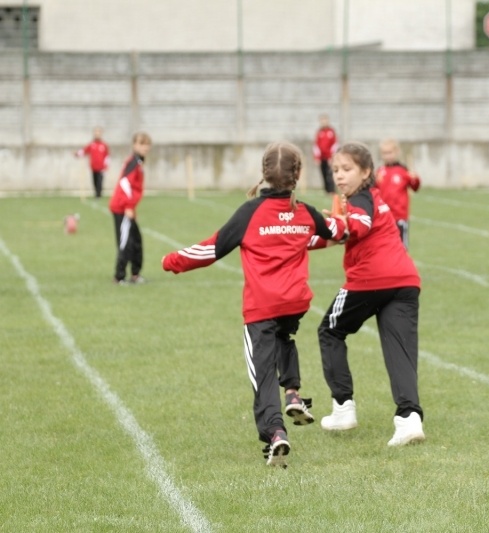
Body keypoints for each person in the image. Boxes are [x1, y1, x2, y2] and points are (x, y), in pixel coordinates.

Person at [161, 142, 347, 468]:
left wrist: (172, 260)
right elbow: (331, 232)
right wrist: (344, 220)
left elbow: (213, 249)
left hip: (263, 306)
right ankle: (292, 392)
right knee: (284, 338)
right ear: (298, 175)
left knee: (262, 374)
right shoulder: (304, 212)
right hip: (295, 302)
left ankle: (275, 432)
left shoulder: (250, 213)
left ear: (263, 174)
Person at [313, 141, 425, 447]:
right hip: (405, 281)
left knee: (329, 331)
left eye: (347, 169)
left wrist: (332, 226)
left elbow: (357, 227)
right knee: (399, 349)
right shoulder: (370, 196)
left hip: (371, 280)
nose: (339, 176)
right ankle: (409, 419)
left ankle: (343, 408)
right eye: (335, 169)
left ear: (366, 171)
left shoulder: (361, 198)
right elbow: (343, 232)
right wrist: (313, 236)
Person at [109, 132, 151, 285]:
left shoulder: (138, 162)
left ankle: (135, 274)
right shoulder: (133, 162)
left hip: (128, 208)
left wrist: (133, 209)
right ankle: (119, 277)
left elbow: (134, 188)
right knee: (125, 242)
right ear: (134, 145)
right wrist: (128, 207)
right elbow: (125, 183)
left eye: (147, 144)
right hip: (121, 208)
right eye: (142, 144)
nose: (145, 147)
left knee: (136, 241)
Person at [376, 139, 421, 249]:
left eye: (390, 152)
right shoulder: (380, 171)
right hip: (384, 217)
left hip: (399, 216)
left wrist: (415, 179)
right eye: (385, 153)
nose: (387, 156)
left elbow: (414, 187)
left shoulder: (403, 171)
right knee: (385, 247)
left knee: (401, 247)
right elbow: (375, 191)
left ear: (396, 152)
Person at [75, 127, 110, 198]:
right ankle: (96, 193)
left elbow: (107, 156)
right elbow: (84, 151)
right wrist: (77, 154)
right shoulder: (91, 144)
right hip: (93, 167)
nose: (97, 134)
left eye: (98, 133)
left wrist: (106, 165)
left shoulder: (104, 145)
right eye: (96, 133)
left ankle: (98, 195)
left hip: (101, 167)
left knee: (100, 181)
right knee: (94, 181)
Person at [313, 114, 338, 196]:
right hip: (322, 157)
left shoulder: (331, 131)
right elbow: (316, 145)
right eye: (322, 121)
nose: (324, 122)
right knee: (323, 173)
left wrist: (332, 156)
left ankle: (332, 190)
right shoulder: (319, 132)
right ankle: (326, 190)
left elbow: (335, 145)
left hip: (329, 157)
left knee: (330, 174)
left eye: (325, 120)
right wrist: (317, 157)